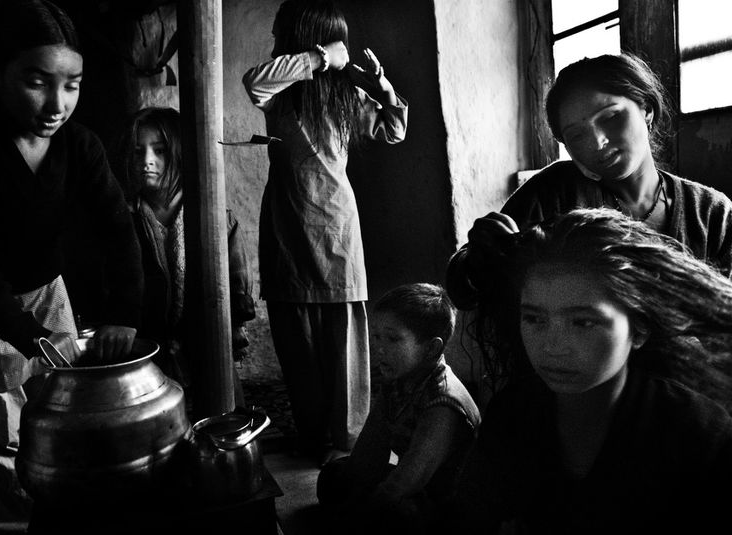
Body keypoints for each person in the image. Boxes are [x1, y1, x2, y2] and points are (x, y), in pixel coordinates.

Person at [0, 1, 143, 532]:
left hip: (46, 295)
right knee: (1, 455)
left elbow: (119, 229)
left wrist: (125, 313)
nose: (58, 103)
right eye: (37, 81)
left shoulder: (79, 145)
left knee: (65, 428)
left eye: (71, 84)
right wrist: (30, 335)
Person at [442, 208, 732, 534]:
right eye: (535, 319)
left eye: (583, 322)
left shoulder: (698, 433)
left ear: (639, 328)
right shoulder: (511, 415)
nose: (552, 346)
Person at [242, 0, 408, 465]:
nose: (276, 43)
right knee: (296, 340)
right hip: (287, 225)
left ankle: (350, 445)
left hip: (335, 228)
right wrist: (319, 58)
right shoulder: (278, 94)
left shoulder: (345, 98)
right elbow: (254, 80)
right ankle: (314, 440)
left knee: (344, 342)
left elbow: (393, 129)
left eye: (281, 36)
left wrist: (379, 84)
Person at [446, 52, 732, 311]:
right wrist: (480, 260)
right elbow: (463, 290)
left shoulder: (711, 213)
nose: (598, 143)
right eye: (578, 135)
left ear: (647, 110)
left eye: (610, 117)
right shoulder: (554, 193)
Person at [111, 106, 256, 406]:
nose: (147, 161)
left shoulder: (212, 216)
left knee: (220, 424)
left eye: (160, 151)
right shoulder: (126, 218)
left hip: (206, 346)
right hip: (147, 350)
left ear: (178, 154)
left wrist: (232, 328)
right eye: (138, 152)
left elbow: (236, 278)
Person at [316, 283, 480, 535]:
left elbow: (407, 482)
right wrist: (353, 481)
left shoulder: (444, 404)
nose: (379, 348)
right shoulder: (399, 381)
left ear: (431, 348)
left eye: (393, 339)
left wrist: (356, 513)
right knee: (334, 477)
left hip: (446, 499)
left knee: (399, 518)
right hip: (415, 485)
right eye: (377, 336)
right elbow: (369, 451)